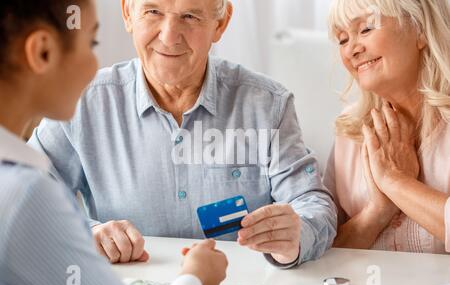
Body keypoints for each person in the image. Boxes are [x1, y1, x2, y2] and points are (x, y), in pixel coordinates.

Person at [28, 0, 337, 268]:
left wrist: (297, 235)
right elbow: (26, 193)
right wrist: (85, 231)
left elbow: (312, 202)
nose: (169, 36)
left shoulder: (268, 104)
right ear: (127, 14)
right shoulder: (82, 101)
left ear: (221, 23)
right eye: (152, 11)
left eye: (190, 16)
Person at [0, 0, 227, 285]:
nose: (97, 65)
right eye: (91, 43)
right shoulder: (25, 194)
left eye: (189, 17)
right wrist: (196, 278)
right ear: (43, 52)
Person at [325, 0, 450, 253]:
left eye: (366, 29)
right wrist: (378, 211)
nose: (352, 50)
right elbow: (322, 249)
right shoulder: (350, 130)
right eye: (342, 39)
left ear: (420, 30)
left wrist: (394, 182)